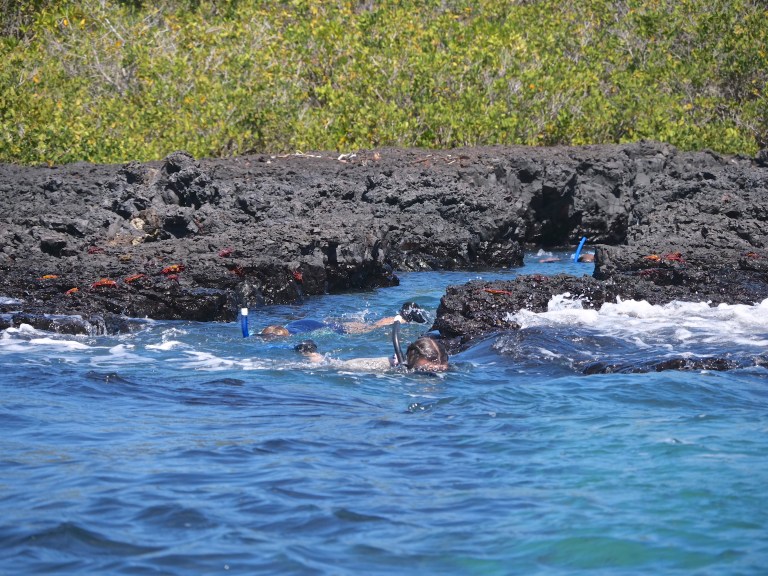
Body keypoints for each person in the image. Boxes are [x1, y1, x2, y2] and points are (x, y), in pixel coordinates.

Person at [259, 302, 429, 337]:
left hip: (333, 328)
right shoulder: (289, 326)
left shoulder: (294, 335)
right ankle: (402, 316)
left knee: (370, 328)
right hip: (326, 322)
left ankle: (401, 319)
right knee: (368, 324)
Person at [295, 335, 449, 373]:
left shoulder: (442, 364)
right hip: (360, 366)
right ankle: (311, 353)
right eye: (426, 371)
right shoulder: (382, 366)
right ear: (412, 361)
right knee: (329, 365)